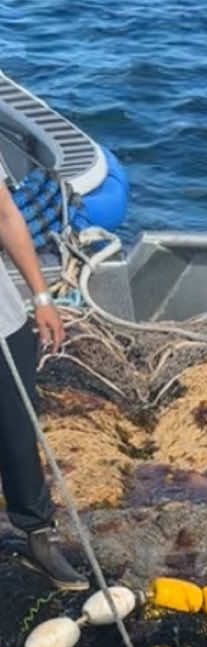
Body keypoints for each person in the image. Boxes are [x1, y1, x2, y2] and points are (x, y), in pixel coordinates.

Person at [0, 177, 86, 588]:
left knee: (17, 429)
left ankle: (37, 535)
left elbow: (5, 214)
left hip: (3, 321)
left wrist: (42, 299)